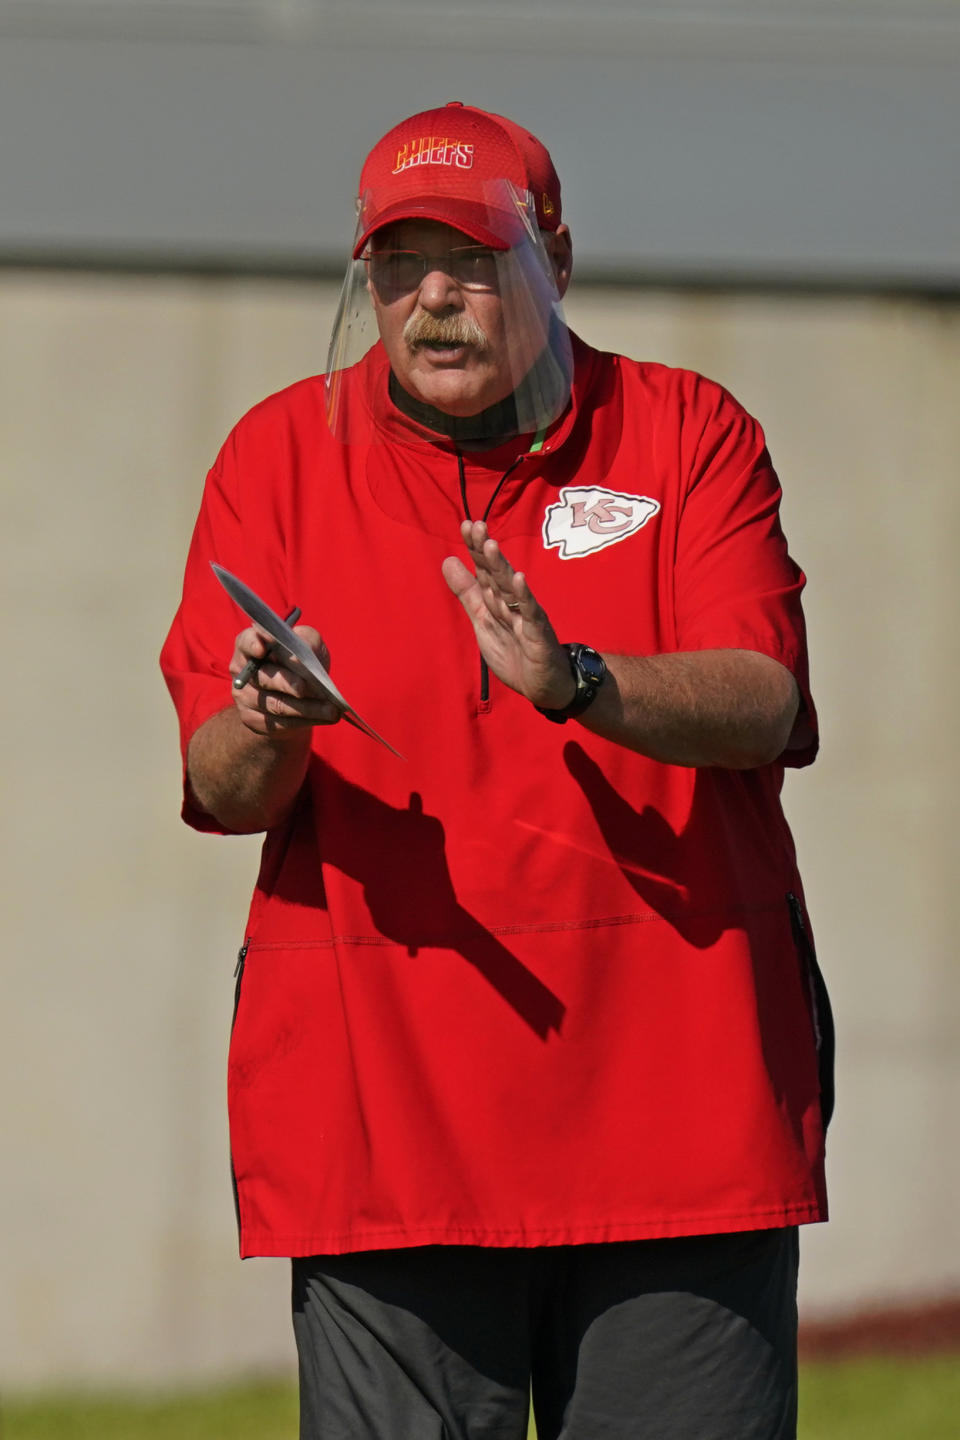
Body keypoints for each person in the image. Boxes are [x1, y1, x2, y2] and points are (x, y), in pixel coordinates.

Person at [161, 101, 833, 1440]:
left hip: (679, 1122)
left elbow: (766, 699)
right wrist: (270, 717)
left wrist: (579, 681)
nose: (436, 300)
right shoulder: (277, 456)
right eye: (401, 266)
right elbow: (223, 790)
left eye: (472, 261)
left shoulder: (686, 431)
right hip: (384, 1132)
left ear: (558, 262)